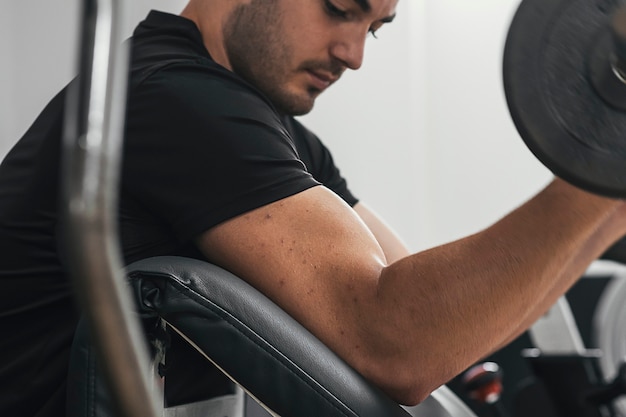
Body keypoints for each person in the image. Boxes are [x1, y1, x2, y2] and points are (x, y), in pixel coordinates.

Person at [1, 0, 625, 415]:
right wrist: (601, 169)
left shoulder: (273, 131)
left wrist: (613, 196)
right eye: (339, 8)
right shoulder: (171, 97)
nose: (354, 53)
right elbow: (397, 342)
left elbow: (442, 325)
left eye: (374, 27)